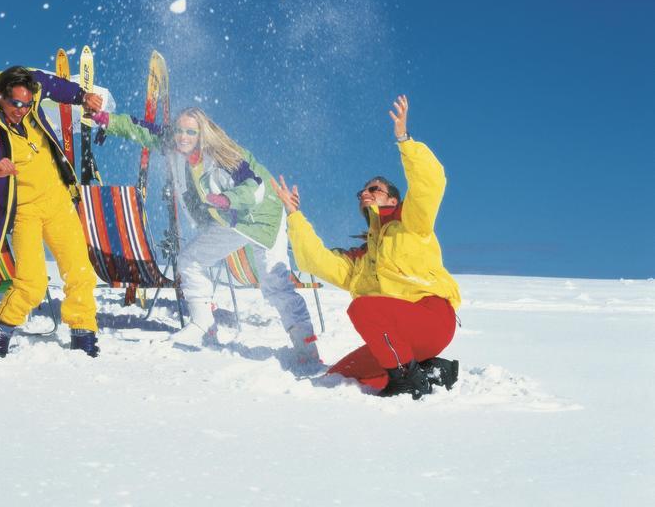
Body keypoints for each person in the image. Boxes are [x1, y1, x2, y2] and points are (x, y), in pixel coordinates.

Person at [92, 106, 322, 371]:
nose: (183, 137)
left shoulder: (225, 154)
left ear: (202, 133)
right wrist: (108, 120)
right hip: (230, 218)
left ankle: (307, 347)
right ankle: (204, 327)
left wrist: (228, 199)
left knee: (274, 279)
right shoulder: (174, 144)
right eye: (179, 130)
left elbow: (255, 187)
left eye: (191, 131)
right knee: (190, 260)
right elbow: (142, 130)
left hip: (262, 214)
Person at [272, 95, 460, 399]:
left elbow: (431, 183)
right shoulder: (361, 260)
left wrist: (404, 139)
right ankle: (432, 371)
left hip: (431, 318)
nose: (366, 193)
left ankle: (405, 377)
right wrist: (294, 215)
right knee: (339, 377)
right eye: (363, 190)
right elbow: (313, 260)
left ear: (392, 199)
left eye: (375, 189)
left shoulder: (411, 223)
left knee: (363, 308)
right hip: (398, 335)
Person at [0, 66, 104, 359]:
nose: (21, 109)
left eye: (27, 103)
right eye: (15, 104)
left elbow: (53, 85)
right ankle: (0, 330)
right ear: (0, 96)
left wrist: (82, 96)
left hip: (58, 201)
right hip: (24, 212)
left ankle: (83, 333)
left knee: (80, 272)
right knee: (32, 282)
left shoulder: (31, 92)